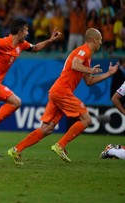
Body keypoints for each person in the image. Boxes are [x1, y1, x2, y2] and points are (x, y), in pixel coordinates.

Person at [8, 28, 119, 165]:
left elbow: (89, 81)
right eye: (100, 39)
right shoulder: (83, 51)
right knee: (87, 120)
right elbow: (75, 64)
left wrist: (108, 74)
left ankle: (16, 149)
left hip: (57, 91)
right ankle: (60, 145)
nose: (101, 43)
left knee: (46, 128)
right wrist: (90, 69)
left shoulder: (87, 56)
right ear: (95, 40)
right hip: (62, 91)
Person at [0, 18, 61, 149]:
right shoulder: (1, 42)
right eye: (26, 30)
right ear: (20, 32)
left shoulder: (21, 44)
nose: (28, 33)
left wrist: (50, 40)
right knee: (16, 102)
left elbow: (35, 48)